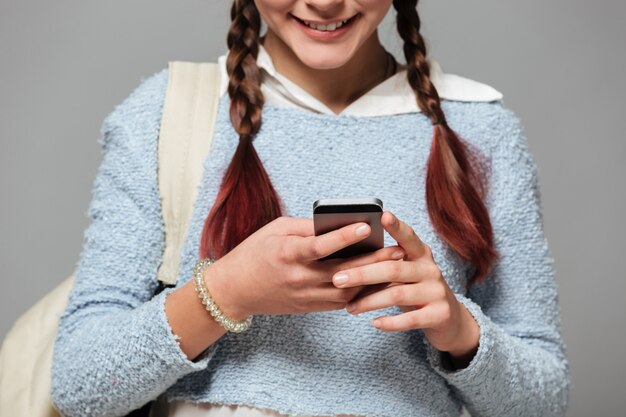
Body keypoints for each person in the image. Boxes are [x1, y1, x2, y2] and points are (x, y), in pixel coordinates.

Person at [50, 0, 571, 416]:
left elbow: (545, 399)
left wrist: (460, 332)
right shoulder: (166, 114)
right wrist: (227, 291)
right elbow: (80, 385)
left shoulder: (482, 131)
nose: (324, 2)